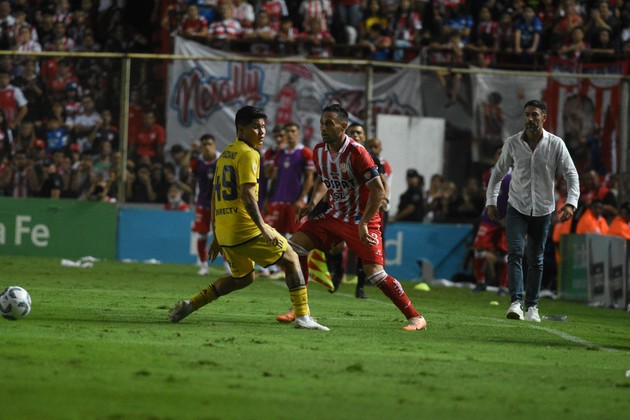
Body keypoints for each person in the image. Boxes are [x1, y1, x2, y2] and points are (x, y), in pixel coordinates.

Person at [168, 105, 328, 331]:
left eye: (263, 127)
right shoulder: (249, 154)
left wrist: (217, 234)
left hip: (226, 231)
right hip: (245, 228)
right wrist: (262, 227)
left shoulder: (225, 154)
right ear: (241, 129)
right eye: (255, 127)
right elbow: (246, 194)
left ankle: (191, 304)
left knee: (243, 278)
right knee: (292, 258)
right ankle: (303, 316)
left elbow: (215, 196)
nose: (262, 132)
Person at [279, 104, 427, 331]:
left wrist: (365, 222)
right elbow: (323, 180)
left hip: (361, 219)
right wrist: (312, 204)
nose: (323, 128)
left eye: (329, 123)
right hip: (334, 215)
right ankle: (300, 308)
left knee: (375, 274)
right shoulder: (319, 151)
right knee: (295, 247)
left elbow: (378, 190)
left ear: (343, 127)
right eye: (322, 123)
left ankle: (416, 317)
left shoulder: (357, 153)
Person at [486, 99, 579, 323]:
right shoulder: (512, 143)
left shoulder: (556, 144)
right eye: (527, 114)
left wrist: (571, 202)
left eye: (535, 114)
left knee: (536, 259)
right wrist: (491, 201)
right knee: (515, 253)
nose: (530, 119)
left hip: (544, 209)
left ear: (544, 118)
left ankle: (532, 307)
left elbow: (571, 174)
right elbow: (497, 173)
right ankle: (516, 303)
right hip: (516, 206)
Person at [191, 134, 219, 276]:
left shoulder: (222, 160)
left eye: (210, 144)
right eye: (204, 145)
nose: (207, 147)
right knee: (202, 235)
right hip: (202, 202)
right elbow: (192, 178)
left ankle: (228, 266)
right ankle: (203, 265)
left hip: (220, 204)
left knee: (223, 236)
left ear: (214, 145)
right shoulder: (197, 162)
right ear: (201, 147)